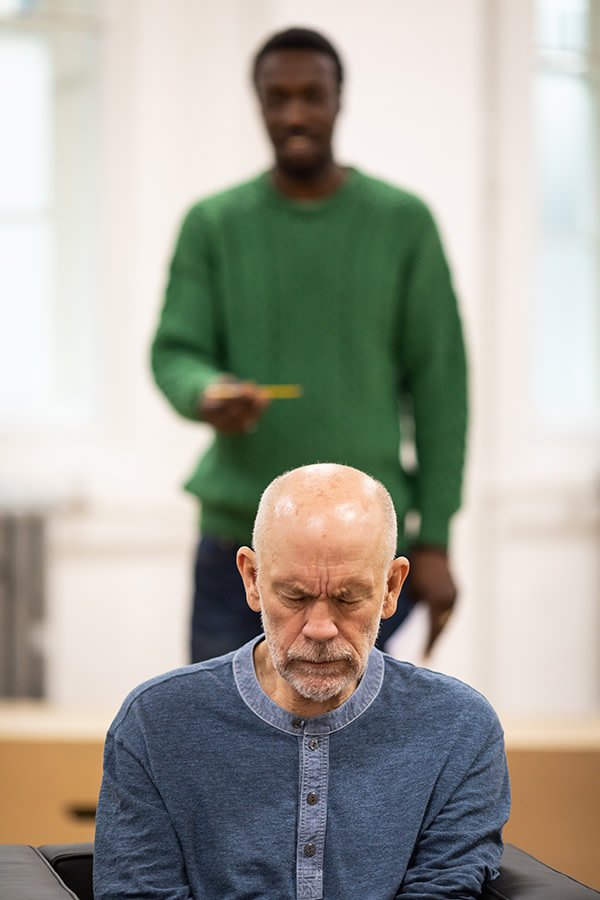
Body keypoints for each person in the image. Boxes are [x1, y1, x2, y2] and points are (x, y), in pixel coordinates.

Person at [151, 26, 468, 663]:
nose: (295, 113)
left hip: (363, 554)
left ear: (338, 100)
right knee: (225, 751)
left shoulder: (403, 224)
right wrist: (207, 392)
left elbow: (441, 388)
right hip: (237, 548)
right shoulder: (213, 225)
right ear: (258, 104)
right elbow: (174, 352)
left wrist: (436, 538)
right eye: (278, 97)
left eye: (311, 95)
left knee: (355, 754)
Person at [94, 464, 509, 899]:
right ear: (251, 580)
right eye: (295, 596)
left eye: (349, 597)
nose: (320, 628)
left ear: (391, 587)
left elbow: (444, 890)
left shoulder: (459, 730)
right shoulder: (156, 725)